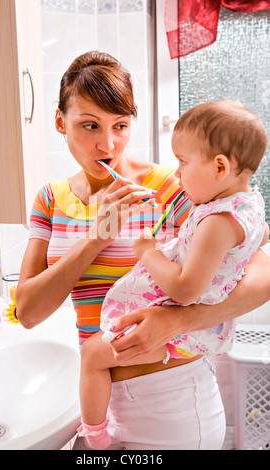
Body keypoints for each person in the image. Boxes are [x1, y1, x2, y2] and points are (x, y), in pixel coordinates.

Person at [15, 51, 270, 450]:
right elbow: (27, 312)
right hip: (102, 396)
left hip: (171, 396)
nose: (108, 143)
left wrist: (180, 321)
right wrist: (96, 237)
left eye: (120, 125)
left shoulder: (173, 185)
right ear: (60, 122)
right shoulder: (50, 199)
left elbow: (262, 275)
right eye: (89, 125)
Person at [77, 99, 269, 450]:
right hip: (145, 397)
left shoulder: (213, 218)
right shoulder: (246, 206)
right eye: (89, 126)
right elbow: (257, 242)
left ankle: (94, 435)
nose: (177, 174)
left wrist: (148, 253)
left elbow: (184, 289)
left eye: (182, 162)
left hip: (175, 381)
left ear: (221, 167)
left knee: (92, 355)